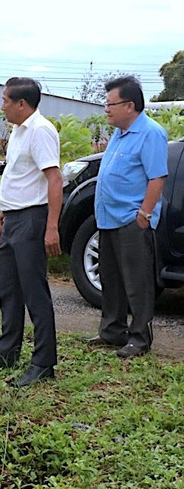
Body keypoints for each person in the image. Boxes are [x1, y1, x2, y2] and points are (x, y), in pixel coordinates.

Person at [0, 77, 62, 387]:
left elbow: (54, 180)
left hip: (33, 219)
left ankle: (43, 362)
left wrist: (51, 227)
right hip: (13, 218)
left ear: (22, 104)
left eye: (5, 100)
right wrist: (2, 216)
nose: (2, 105)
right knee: (8, 289)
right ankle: (6, 352)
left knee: (34, 293)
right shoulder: (19, 131)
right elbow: (17, 178)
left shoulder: (41, 130)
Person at [87, 76, 168, 359]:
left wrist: (145, 213)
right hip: (108, 218)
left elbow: (157, 176)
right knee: (111, 280)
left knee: (137, 283)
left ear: (130, 105)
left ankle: (139, 338)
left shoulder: (150, 133)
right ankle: (112, 331)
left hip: (132, 220)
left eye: (111, 104)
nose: (106, 109)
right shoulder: (120, 133)